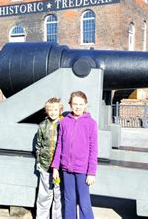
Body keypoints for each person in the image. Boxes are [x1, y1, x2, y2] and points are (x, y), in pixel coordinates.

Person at [51, 91, 98, 219]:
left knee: (84, 202)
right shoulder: (64, 122)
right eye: (75, 104)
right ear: (70, 105)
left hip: (83, 169)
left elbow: (93, 149)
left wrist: (91, 172)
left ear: (85, 105)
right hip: (66, 168)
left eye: (81, 104)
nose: (78, 107)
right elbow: (59, 145)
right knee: (69, 200)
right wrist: (55, 167)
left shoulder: (91, 123)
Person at [35, 98, 63, 219]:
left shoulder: (64, 124)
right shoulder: (42, 126)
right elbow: (38, 145)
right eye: (50, 110)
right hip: (45, 167)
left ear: (60, 110)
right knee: (44, 194)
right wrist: (39, 162)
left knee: (58, 194)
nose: (53, 112)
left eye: (56, 110)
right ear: (47, 111)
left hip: (60, 169)